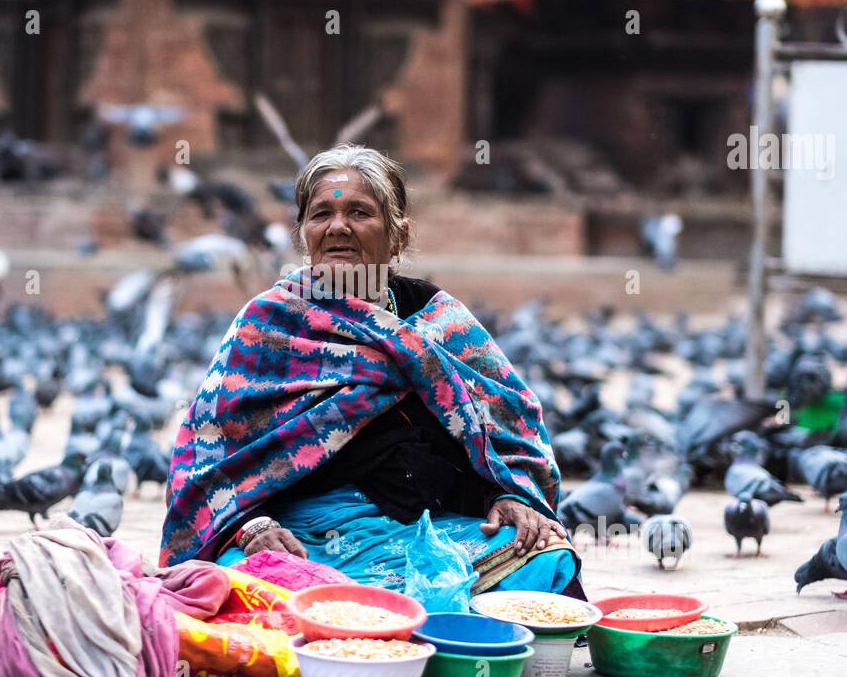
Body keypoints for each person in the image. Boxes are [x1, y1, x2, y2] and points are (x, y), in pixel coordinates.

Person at [162, 144, 586, 601]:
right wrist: (252, 526)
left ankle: (389, 614)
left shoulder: (438, 319)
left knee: (545, 554)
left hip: (433, 531)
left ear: (398, 234)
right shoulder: (267, 325)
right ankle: (430, 613)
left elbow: (511, 427)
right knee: (233, 577)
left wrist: (510, 496)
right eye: (321, 213)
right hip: (310, 542)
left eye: (359, 212)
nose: (338, 227)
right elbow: (203, 460)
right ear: (303, 232)